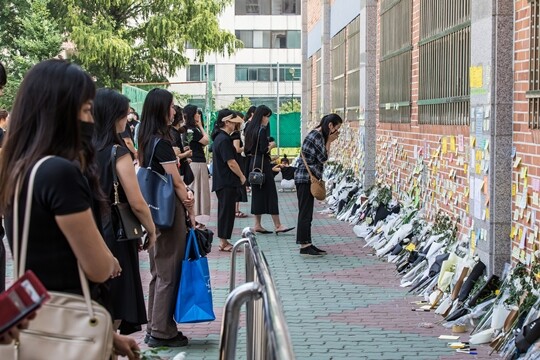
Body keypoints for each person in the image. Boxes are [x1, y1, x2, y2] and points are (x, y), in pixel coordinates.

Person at [0, 59, 138, 358]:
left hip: (42, 319)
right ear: (60, 112)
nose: (91, 120)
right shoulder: (60, 173)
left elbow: (48, 257)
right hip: (66, 326)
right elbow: (97, 267)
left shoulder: (18, 169)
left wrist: (110, 337)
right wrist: (110, 260)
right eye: (87, 110)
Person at [93, 88, 157, 335]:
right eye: (124, 113)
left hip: (88, 229)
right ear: (113, 116)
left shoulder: (81, 150)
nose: (126, 118)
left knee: (98, 304)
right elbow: (136, 201)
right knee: (117, 304)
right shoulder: (117, 152)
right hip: (116, 233)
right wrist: (151, 230)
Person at [137, 88, 195, 348]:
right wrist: (189, 204)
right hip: (169, 215)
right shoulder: (162, 143)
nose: (175, 111)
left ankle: (156, 325)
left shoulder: (146, 141)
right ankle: (161, 330)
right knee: (169, 272)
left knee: (158, 273)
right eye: (172, 106)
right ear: (162, 109)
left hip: (154, 215)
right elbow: (177, 182)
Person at [295, 113, 342, 256]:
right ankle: (304, 245)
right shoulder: (317, 136)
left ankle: (307, 242)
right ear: (330, 125)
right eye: (336, 128)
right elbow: (323, 158)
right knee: (305, 212)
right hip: (305, 178)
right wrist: (330, 141)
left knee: (307, 212)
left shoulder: (317, 134)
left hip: (306, 177)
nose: (336, 132)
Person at [243, 105, 294, 234]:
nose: (268, 119)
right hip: (263, 165)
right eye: (267, 116)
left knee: (257, 194)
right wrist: (271, 145)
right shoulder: (261, 130)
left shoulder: (248, 128)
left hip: (253, 165)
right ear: (262, 116)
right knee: (271, 194)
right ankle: (278, 225)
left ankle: (257, 224)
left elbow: (247, 149)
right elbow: (263, 149)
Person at [211, 109, 246, 252]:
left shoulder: (220, 138)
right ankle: (223, 242)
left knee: (225, 211)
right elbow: (231, 162)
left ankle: (224, 240)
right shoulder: (224, 139)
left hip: (222, 181)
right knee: (226, 212)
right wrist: (241, 176)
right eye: (233, 122)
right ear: (226, 122)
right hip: (226, 181)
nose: (235, 125)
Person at [182, 105, 210, 225]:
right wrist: (200, 126)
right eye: (197, 113)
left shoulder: (186, 129)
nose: (199, 115)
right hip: (197, 162)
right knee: (196, 190)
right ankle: (193, 219)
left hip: (193, 161)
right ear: (192, 115)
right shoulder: (193, 130)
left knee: (194, 189)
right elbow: (206, 141)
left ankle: (193, 219)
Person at [169, 105, 193, 186]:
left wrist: (183, 150)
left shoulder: (175, 132)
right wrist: (186, 154)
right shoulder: (173, 133)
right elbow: (175, 154)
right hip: (178, 171)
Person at [231, 112, 248, 218]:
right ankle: (236, 210)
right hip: (238, 160)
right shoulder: (236, 134)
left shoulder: (232, 133)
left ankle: (235, 209)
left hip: (237, 160)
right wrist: (245, 148)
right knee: (238, 184)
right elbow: (237, 149)